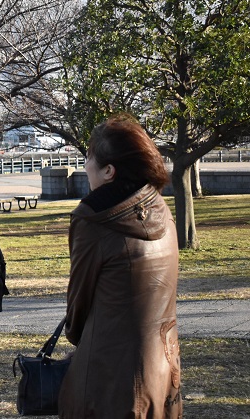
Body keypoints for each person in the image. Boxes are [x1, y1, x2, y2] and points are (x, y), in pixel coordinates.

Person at [58, 115, 182, 418]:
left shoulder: (94, 219)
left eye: (89, 157)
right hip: (162, 367)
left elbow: (78, 307)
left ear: (109, 170)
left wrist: (76, 337)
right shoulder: (160, 208)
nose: (85, 165)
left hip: (109, 376)